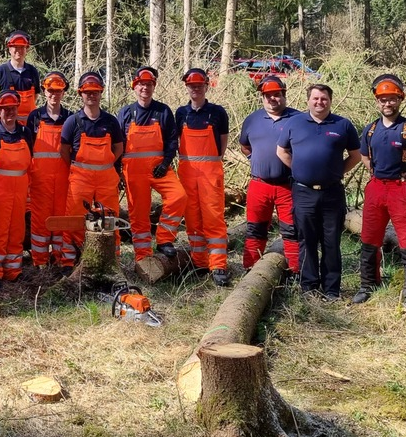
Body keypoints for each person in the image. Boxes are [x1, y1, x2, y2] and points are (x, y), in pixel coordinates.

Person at [354, 74, 406, 307]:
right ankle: (367, 285)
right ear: (376, 101)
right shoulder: (370, 129)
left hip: (402, 189)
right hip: (375, 189)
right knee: (369, 239)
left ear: (400, 99)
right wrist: (375, 172)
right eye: (382, 99)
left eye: (391, 99)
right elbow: (363, 155)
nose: (387, 104)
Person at [276, 84, 361, 301]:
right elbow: (281, 151)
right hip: (303, 192)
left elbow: (356, 155)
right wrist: (298, 169)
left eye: (324, 99)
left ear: (330, 101)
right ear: (308, 100)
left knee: (331, 242)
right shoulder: (294, 123)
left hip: (332, 193)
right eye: (315, 98)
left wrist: (336, 171)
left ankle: (332, 289)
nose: (319, 102)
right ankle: (309, 287)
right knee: (307, 240)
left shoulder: (343, 125)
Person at [118, 66, 187, 263]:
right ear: (134, 87)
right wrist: (118, 172)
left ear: (154, 86)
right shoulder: (125, 113)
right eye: (141, 84)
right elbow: (117, 144)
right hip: (133, 171)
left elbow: (172, 141)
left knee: (178, 196)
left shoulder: (162, 110)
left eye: (149, 84)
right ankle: (143, 256)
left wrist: (165, 163)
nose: (145, 88)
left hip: (158, 168)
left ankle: (164, 239)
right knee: (138, 214)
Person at [59, 71, 125, 272]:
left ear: (101, 93)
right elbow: (63, 150)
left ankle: (112, 261)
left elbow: (119, 147)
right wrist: (80, 167)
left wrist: (106, 165)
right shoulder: (73, 121)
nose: (92, 96)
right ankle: (71, 260)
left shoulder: (110, 121)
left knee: (110, 219)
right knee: (75, 218)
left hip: (106, 179)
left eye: (95, 92)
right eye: (88, 92)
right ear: (81, 93)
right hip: (81, 179)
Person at [238, 75, 301, 275]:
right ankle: (251, 269)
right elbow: (244, 146)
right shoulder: (252, 119)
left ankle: (295, 270)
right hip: (259, 184)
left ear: (284, 94)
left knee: (291, 230)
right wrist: (256, 160)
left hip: (288, 185)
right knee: (255, 228)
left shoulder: (298, 119)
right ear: (262, 97)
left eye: (277, 95)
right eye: (268, 95)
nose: (272, 99)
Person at [174, 68, 231, 285]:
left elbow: (222, 143)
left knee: (213, 217)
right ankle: (199, 261)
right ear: (186, 87)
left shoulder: (217, 112)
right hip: (187, 173)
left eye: (199, 85)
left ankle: (218, 265)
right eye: (192, 85)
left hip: (210, 174)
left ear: (206, 86)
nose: (195, 89)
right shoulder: (180, 113)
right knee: (192, 218)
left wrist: (212, 162)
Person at [0, 90, 33, 289]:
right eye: (6, 109)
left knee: (16, 230)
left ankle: (13, 270)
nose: (10, 112)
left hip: (20, 189)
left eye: (13, 108)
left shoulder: (25, 132)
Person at [25, 71, 71, 268]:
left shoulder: (70, 118)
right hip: (40, 179)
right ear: (44, 92)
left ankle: (60, 259)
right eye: (50, 91)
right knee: (40, 221)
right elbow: (27, 148)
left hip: (63, 178)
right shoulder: (35, 117)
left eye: (57, 91)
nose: (53, 95)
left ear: (63, 92)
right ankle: (40, 262)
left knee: (62, 218)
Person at [0, 30, 41, 125]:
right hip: (6, 126)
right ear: (9, 48)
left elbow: (35, 96)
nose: (19, 50)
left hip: (29, 126)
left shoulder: (33, 71)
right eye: (15, 47)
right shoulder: (0, 72)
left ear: (27, 49)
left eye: (22, 47)